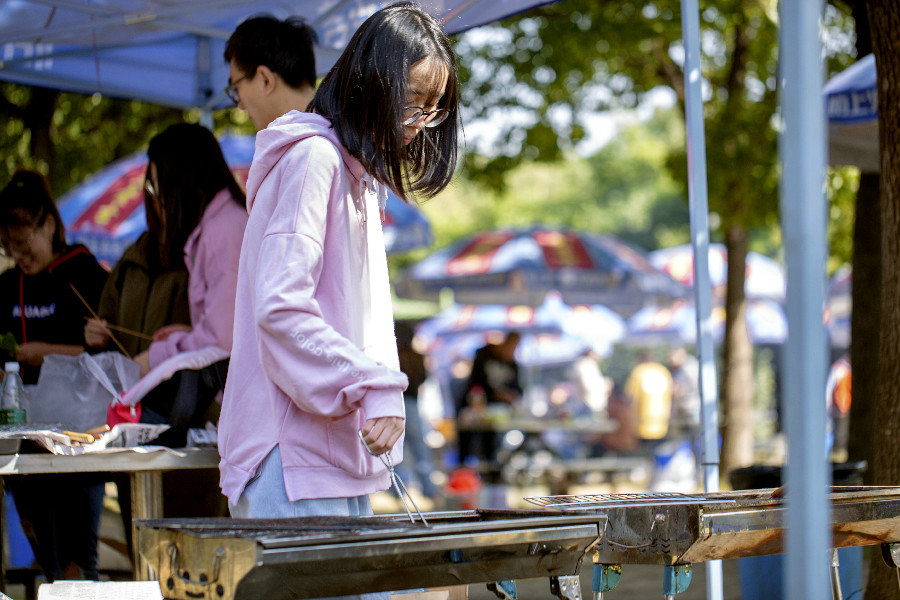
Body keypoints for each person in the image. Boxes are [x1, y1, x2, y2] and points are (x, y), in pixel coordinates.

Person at [217, 0, 459, 545]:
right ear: (373, 80)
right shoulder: (313, 159)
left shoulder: (355, 175)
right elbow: (281, 310)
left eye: (433, 109)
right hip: (288, 461)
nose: (420, 122)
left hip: (328, 455)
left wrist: (376, 392)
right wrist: (374, 385)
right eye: (414, 101)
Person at [0, 169, 109, 581]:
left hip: (78, 435)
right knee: (48, 558)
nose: (19, 255)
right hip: (24, 440)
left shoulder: (82, 273)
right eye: (9, 247)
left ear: (48, 225)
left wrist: (44, 354)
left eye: (24, 243)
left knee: (79, 560)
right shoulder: (7, 287)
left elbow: (107, 357)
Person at [129, 123, 248, 382]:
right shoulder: (218, 227)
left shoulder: (224, 231)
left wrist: (157, 357)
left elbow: (223, 342)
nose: (157, 199)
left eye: (156, 187)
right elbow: (229, 324)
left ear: (180, 181)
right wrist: (191, 333)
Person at [84, 181, 190, 357]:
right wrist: (97, 335)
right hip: (128, 373)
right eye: (154, 190)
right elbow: (107, 320)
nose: (164, 200)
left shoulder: (200, 258)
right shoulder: (131, 259)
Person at [224, 14, 318, 130]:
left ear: (265, 79)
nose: (240, 106)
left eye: (237, 89)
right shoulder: (334, 130)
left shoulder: (303, 141)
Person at [457, 332, 523, 464]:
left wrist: (510, 395)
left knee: (491, 445)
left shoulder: (512, 363)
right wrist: (493, 393)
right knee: (466, 441)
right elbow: (475, 383)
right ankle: (464, 467)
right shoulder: (484, 354)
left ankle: (490, 468)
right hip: (474, 407)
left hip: (498, 413)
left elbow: (518, 389)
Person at [395, 322, 438, 498]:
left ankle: (397, 491)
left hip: (397, 404)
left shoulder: (395, 356)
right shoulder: (415, 356)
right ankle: (428, 489)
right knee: (419, 449)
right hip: (411, 404)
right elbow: (422, 378)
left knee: (397, 449)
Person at [624, 352, 673, 443]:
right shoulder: (664, 371)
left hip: (642, 421)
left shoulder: (639, 371)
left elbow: (630, 395)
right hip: (662, 421)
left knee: (645, 447)